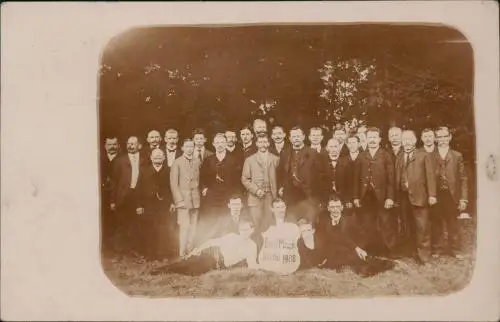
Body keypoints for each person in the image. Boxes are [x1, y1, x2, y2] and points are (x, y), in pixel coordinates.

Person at [299, 195, 394, 277]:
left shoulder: (350, 221)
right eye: (332, 207)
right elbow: (321, 239)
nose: (335, 210)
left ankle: (364, 267)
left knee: (346, 254)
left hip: (347, 250)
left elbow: (362, 236)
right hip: (328, 251)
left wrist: (358, 248)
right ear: (328, 208)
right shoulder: (323, 221)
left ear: (341, 207)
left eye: (337, 207)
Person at [152, 219, 258, 276]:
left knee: (193, 271)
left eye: (247, 230)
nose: (244, 232)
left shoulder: (252, 246)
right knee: (186, 263)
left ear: (252, 230)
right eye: (242, 230)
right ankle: (160, 270)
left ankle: (167, 270)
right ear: (239, 230)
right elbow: (212, 242)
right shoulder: (232, 236)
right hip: (210, 255)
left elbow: (252, 263)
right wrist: (198, 249)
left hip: (217, 265)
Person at [394, 130, 437, 265]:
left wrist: (432, 195)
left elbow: (430, 176)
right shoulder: (400, 156)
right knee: (408, 225)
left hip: (420, 196)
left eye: (409, 139)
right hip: (403, 196)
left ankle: (424, 257)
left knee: (422, 226)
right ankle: (412, 252)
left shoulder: (423, 155)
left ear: (415, 140)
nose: (406, 142)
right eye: (404, 140)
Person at [353, 127, 396, 257]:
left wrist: (390, 197)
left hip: (382, 196)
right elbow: (356, 178)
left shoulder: (386, 155)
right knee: (367, 224)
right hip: (366, 196)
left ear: (379, 139)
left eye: (374, 137)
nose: (372, 140)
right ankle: (369, 249)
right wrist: (356, 197)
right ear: (366, 139)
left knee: (385, 223)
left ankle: (389, 250)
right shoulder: (361, 156)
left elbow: (391, 179)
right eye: (369, 137)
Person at [431, 126, 468, 259]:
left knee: (452, 222)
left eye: (445, 136)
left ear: (449, 137)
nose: (442, 139)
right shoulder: (431, 155)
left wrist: (463, 198)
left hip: (452, 194)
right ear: (435, 139)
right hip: (436, 193)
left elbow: (463, 177)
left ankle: (455, 248)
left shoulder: (457, 155)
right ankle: (437, 248)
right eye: (439, 137)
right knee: (436, 221)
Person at [109, 136, 148, 254]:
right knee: (121, 224)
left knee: (136, 224)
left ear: (139, 146)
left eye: (133, 144)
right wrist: (112, 200)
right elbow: (114, 182)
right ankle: (119, 252)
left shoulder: (145, 160)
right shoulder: (120, 161)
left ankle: (135, 250)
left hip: (138, 194)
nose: (130, 146)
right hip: (123, 195)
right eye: (128, 143)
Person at [135, 149, 175, 260]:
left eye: (160, 155)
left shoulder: (169, 171)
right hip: (148, 205)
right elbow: (139, 189)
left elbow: (172, 188)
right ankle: (150, 254)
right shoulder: (144, 171)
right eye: (155, 156)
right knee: (149, 228)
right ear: (151, 158)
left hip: (164, 204)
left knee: (163, 229)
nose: (158, 157)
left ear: (164, 158)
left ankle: (162, 254)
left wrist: (172, 203)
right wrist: (139, 205)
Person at [278, 126, 321, 225]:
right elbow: (280, 173)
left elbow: (320, 176)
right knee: (291, 223)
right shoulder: (285, 153)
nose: (296, 138)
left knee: (308, 224)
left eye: (298, 136)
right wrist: (281, 187)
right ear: (289, 138)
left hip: (308, 196)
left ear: (303, 137)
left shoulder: (313, 153)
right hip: (290, 196)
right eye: (294, 136)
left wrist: (315, 194)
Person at [241, 133, 280, 233]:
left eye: (265, 142)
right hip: (255, 198)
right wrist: (256, 190)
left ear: (269, 143)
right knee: (256, 225)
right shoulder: (249, 160)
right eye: (260, 142)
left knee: (270, 224)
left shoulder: (276, 159)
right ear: (256, 144)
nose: (263, 144)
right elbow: (245, 179)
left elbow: (280, 178)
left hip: (271, 197)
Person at [170, 138, 202, 257]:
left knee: (194, 227)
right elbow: (173, 183)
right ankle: (181, 253)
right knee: (184, 227)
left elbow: (200, 180)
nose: (189, 149)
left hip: (195, 199)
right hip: (183, 200)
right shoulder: (177, 162)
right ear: (182, 148)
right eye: (187, 146)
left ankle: (190, 252)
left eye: (191, 146)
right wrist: (179, 200)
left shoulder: (197, 161)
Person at [257, 198, 303, 274]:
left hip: (287, 252)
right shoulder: (266, 222)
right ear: (272, 209)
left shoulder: (291, 219)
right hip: (273, 253)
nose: (281, 210)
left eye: (283, 207)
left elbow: (296, 238)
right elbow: (261, 240)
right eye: (278, 208)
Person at [200, 133, 240, 220]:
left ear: (226, 143)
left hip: (228, 194)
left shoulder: (233, 160)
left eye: (222, 142)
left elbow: (237, 179)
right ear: (213, 144)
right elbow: (202, 177)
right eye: (217, 143)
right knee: (213, 219)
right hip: (213, 195)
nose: (220, 145)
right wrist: (204, 188)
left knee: (226, 219)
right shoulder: (208, 160)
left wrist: (235, 194)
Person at [101, 136, 120, 254]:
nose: (112, 147)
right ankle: (105, 248)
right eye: (109, 145)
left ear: (118, 146)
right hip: (103, 195)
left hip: (117, 194)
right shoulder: (100, 159)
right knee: (104, 220)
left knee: (116, 221)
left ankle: (116, 248)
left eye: (114, 144)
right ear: (105, 146)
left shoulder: (122, 159)